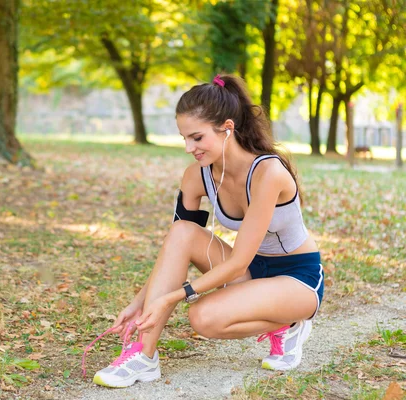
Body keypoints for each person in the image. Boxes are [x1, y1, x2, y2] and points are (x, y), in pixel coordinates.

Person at [88, 74, 324, 388]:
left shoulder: (268, 172)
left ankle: (290, 321)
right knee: (182, 232)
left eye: (197, 138)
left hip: (296, 277)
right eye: (185, 138)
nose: (189, 147)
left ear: (227, 128)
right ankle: (143, 357)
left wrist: (173, 297)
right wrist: (139, 302)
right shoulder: (196, 176)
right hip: (251, 270)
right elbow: (175, 248)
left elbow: (238, 262)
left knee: (202, 318)